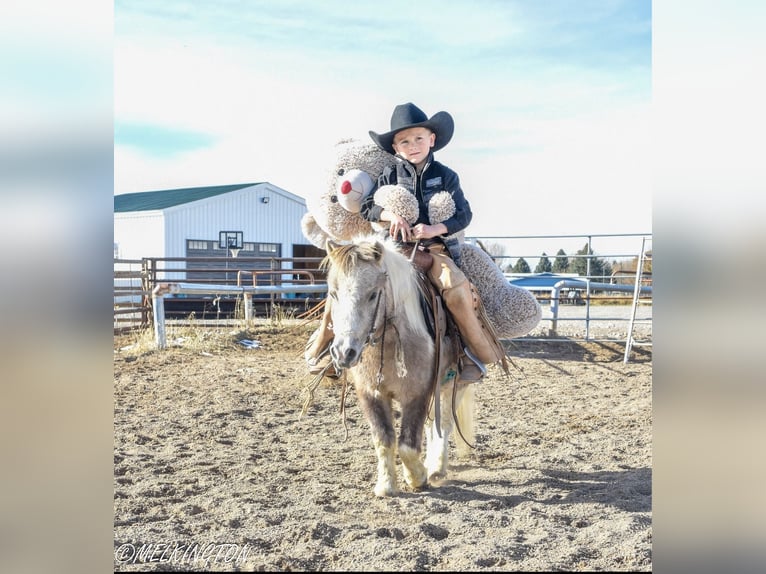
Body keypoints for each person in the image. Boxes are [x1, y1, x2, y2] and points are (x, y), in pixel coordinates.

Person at [305, 102, 506, 382]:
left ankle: (470, 353)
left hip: (434, 249)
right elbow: (367, 209)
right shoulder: (389, 176)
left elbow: (464, 214)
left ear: (431, 140)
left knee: (456, 288)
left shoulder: (446, 176)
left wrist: (435, 228)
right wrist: (391, 215)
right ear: (396, 148)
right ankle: (327, 347)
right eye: (404, 141)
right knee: (347, 282)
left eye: (418, 139)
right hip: (391, 248)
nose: (413, 146)